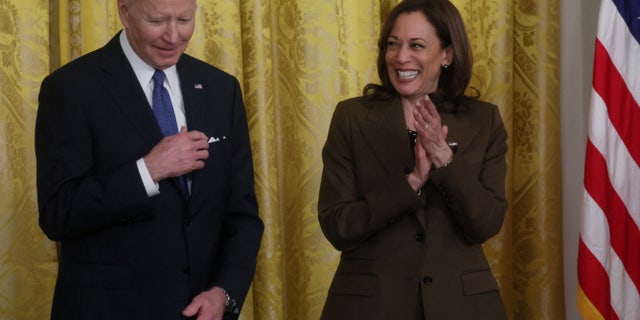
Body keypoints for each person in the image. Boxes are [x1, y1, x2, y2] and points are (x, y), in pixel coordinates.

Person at [35, 0, 263, 319]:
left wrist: (223, 293)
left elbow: (242, 215)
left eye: (184, 19)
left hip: (201, 311)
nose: (173, 36)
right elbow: (58, 213)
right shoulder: (70, 89)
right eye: (157, 20)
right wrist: (149, 170)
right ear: (124, 12)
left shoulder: (221, 89)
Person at [317, 0, 508, 319]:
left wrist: (444, 158)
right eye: (393, 44)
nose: (401, 57)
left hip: (460, 306)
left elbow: (485, 223)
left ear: (447, 54)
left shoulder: (483, 120)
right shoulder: (352, 118)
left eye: (416, 45)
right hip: (370, 307)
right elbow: (337, 225)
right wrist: (413, 181)